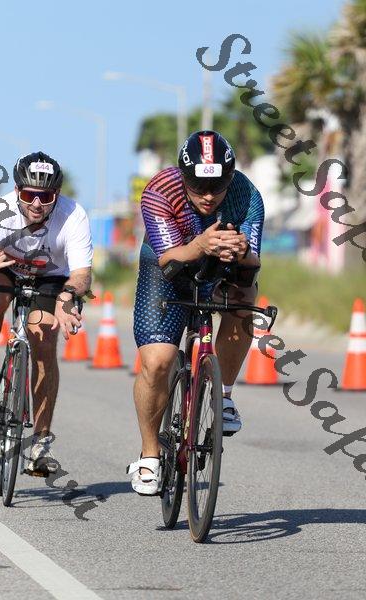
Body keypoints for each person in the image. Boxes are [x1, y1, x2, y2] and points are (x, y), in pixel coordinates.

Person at [128, 130, 264, 495]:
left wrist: (241, 251)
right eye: (198, 187)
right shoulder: (160, 190)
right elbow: (169, 260)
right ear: (182, 177)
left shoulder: (246, 194)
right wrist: (201, 244)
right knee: (158, 362)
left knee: (245, 292)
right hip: (167, 268)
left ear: (230, 178)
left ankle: (225, 396)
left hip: (219, 266)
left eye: (217, 187)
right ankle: (149, 455)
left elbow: (253, 263)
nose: (208, 196)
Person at [0, 151, 93, 474]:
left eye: (46, 197)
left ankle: (40, 441)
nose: (37, 204)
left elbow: (82, 274)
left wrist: (68, 296)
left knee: (44, 340)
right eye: (29, 195)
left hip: (51, 278)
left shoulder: (73, 215)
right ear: (17, 192)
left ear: (57, 195)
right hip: (4, 268)